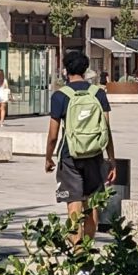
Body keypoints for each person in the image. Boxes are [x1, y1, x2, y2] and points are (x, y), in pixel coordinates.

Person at [48, 48, 118, 241]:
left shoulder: (60, 96)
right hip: (94, 154)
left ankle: (77, 254)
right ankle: (86, 250)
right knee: (92, 204)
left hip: (70, 155)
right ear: (86, 70)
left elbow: (53, 134)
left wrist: (48, 157)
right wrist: (111, 159)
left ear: (66, 70)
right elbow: (106, 129)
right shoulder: (98, 94)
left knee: (73, 203)